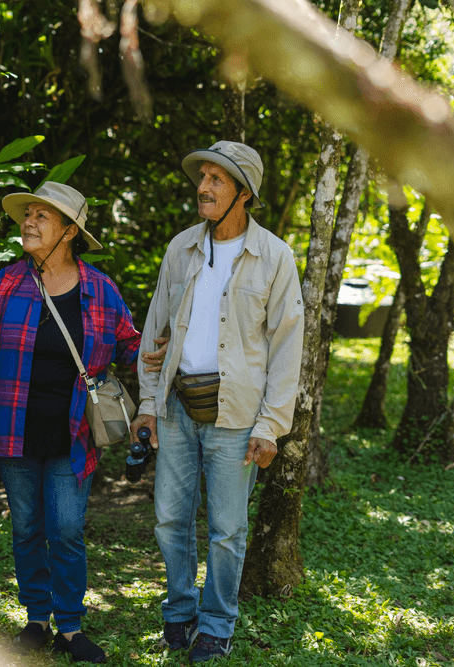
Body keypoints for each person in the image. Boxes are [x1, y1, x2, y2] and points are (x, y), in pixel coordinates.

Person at [0, 181, 141, 664]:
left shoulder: (100, 290)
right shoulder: (3, 285)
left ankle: (70, 628)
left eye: (42, 216)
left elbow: (130, 345)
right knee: (27, 526)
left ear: (70, 232)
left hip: (73, 431)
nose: (29, 222)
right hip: (13, 425)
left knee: (67, 528)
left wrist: (162, 352)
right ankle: (37, 619)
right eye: (28, 214)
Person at [131, 140, 305, 663]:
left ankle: (217, 623)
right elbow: (155, 328)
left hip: (238, 415)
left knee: (227, 530)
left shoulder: (274, 256)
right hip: (178, 405)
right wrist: (147, 402)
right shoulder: (181, 247)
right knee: (169, 519)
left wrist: (270, 427)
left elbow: (287, 346)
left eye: (216, 180)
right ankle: (180, 612)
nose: (203, 187)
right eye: (202, 177)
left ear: (244, 194)